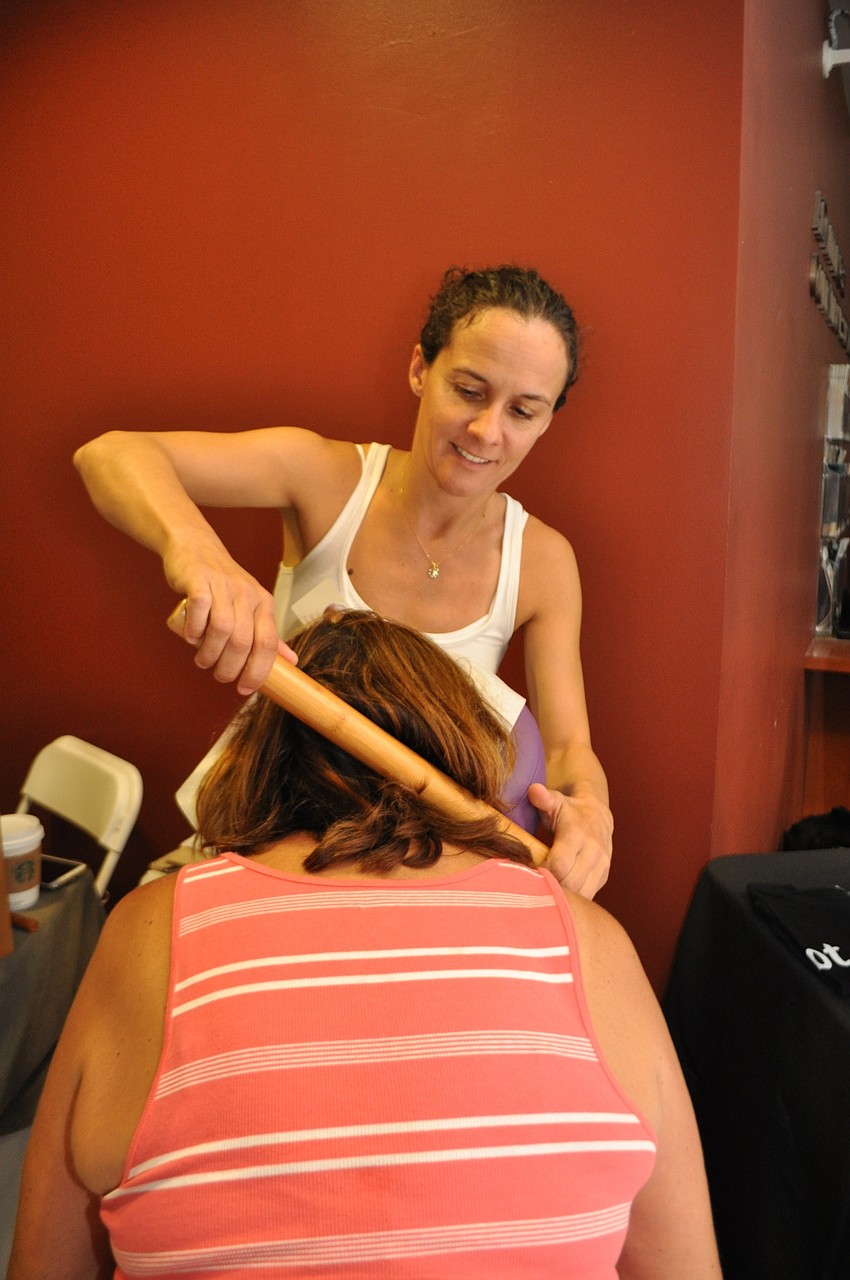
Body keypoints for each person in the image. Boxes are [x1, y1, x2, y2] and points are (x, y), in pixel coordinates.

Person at [8, 610, 721, 1280]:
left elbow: (44, 1263)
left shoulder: (148, 931)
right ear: (461, 743)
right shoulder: (593, 943)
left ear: (259, 758)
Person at [73, 265, 612, 896]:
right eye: (468, 390)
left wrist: (592, 815)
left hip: (411, 877)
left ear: (547, 419)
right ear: (420, 369)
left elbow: (571, 747)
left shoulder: (544, 561)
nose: (487, 431)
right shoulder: (324, 477)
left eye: (523, 411)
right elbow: (110, 455)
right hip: (254, 841)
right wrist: (200, 555)